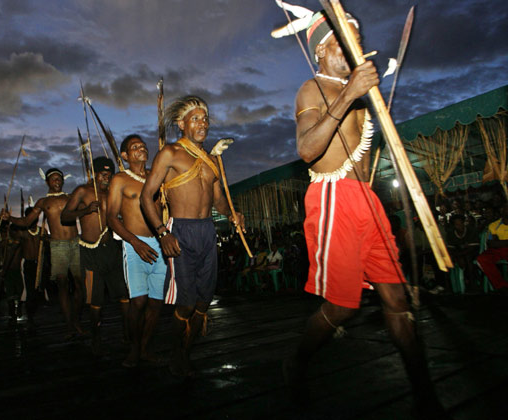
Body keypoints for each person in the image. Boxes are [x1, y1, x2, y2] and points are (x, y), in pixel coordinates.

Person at [282, 10, 447, 417]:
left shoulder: (357, 92)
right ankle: (297, 363)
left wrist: (360, 92)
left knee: (396, 295)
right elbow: (307, 150)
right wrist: (349, 92)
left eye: (357, 37)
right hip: (332, 199)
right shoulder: (312, 89)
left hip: (366, 200)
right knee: (343, 305)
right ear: (321, 48)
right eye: (343, 38)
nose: (353, 46)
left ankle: (423, 390)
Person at [140, 95, 244, 378]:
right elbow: (146, 197)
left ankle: (186, 353)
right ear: (181, 123)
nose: (203, 123)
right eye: (196, 118)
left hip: (207, 232)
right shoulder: (170, 153)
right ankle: (176, 354)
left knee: (202, 302)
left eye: (205, 118)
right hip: (180, 232)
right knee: (185, 302)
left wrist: (234, 215)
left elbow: (219, 201)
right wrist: (162, 233)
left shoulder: (212, 161)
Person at [1, 168, 86, 339]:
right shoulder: (43, 202)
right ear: (47, 182)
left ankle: (76, 319)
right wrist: (10, 218)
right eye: (53, 179)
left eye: (59, 179)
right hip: (57, 246)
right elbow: (26, 221)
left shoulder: (71, 198)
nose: (57, 181)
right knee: (62, 284)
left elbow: (86, 210)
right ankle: (69, 325)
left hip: (75, 244)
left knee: (79, 285)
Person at [107, 134, 167, 367]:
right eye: (135, 147)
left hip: (160, 245)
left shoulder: (157, 177)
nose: (141, 148)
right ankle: (133, 349)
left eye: (143, 145)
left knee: (156, 303)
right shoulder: (120, 180)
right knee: (139, 301)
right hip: (134, 245)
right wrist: (135, 242)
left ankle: (144, 348)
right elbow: (111, 218)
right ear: (125, 155)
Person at [61, 157, 129, 355]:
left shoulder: (114, 193)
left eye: (109, 174)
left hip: (112, 250)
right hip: (90, 252)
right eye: (102, 173)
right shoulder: (83, 191)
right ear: (94, 173)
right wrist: (85, 210)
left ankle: (127, 334)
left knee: (124, 295)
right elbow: (64, 216)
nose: (106, 177)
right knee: (94, 299)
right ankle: (96, 338)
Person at [476, 202, 508, 291]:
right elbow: (491, 243)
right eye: (506, 208)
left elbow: (495, 242)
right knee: (482, 259)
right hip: (497, 250)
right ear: (502, 211)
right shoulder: (494, 225)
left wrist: (498, 241)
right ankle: (501, 286)